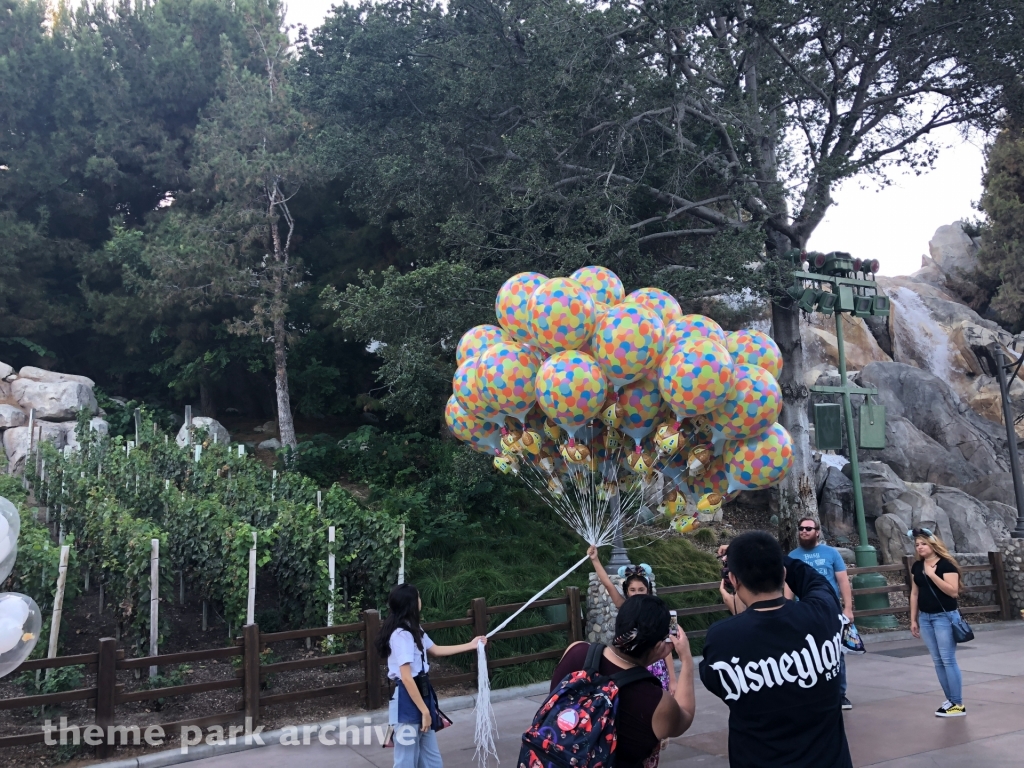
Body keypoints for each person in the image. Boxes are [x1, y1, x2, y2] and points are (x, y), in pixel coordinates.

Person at [701, 531, 852, 768]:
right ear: (783, 573)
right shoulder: (823, 613)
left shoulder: (723, 637)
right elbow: (814, 580)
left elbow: (716, 683)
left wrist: (746, 555)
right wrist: (767, 555)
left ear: (733, 579)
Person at [550, 594, 696, 768]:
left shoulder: (576, 651)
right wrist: (686, 659)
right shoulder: (656, 702)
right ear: (658, 646)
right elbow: (684, 717)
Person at [376, 584, 487, 768]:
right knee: (405, 761)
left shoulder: (414, 628)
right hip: (407, 699)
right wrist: (425, 711)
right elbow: (406, 677)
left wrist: (471, 645)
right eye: (418, 597)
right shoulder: (401, 635)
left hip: (421, 695)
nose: (420, 601)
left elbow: (435, 649)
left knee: (431, 761)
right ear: (411, 603)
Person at [588, 545, 678, 694]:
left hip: (655, 665)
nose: (637, 594)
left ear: (648, 590)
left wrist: (673, 679)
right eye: (633, 590)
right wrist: (595, 559)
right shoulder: (624, 606)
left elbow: (666, 646)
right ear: (626, 591)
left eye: (641, 590)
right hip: (629, 664)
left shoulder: (658, 611)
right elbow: (608, 584)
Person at [786, 517, 855, 710]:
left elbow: (842, 581)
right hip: (803, 611)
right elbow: (788, 586)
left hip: (830, 610)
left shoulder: (831, 553)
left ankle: (840, 694)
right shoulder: (793, 556)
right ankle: (812, 692)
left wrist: (847, 608)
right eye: (801, 528)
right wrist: (786, 608)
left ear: (817, 531)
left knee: (835, 651)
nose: (804, 531)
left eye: (808, 528)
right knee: (805, 652)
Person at [909, 527, 966, 717]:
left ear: (933, 544)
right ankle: (950, 700)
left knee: (948, 659)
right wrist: (913, 619)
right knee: (938, 661)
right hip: (925, 618)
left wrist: (932, 575)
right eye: (917, 545)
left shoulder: (946, 565)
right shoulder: (917, 566)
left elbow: (953, 591)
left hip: (945, 617)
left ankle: (958, 703)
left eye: (923, 543)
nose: (920, 547)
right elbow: (914, 593)